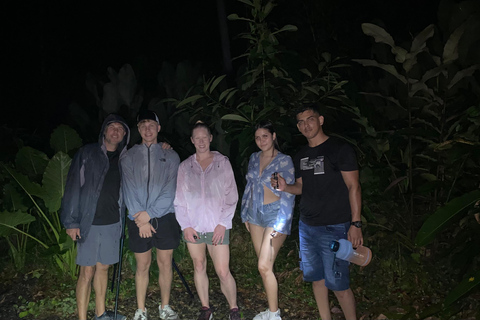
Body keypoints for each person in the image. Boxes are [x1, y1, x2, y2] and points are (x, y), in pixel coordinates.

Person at [274, 104, 363, 320]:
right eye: (301, 122)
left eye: (310, 119)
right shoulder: (301, 155)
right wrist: (286, 187)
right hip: (307, 227)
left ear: (321, 120)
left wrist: (356, 223)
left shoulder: (340, 149)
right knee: (317, 279)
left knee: (339, 283)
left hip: (335, 226)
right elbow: (302, 187)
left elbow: (354, 187)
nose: (306, 125)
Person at [61, 114, 129, 320]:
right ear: (104, 131)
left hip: (112, 223)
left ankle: (101, 314)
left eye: (120, 128)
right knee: (86, 272)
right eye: (112, 127)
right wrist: (71, 221)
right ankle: (82, 318)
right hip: (88, 223)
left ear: (124, 134)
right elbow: (72, 187)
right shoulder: (87, 153)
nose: (115, 131)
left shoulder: (125, 159)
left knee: (103, 268)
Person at [174, 121, 240, 320]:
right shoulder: (185, 166)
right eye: (197, 138)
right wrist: (185, 225)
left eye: (205, 137)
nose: (201, 142)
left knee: (222, 270)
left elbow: (231, 195)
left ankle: (234, 309)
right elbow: (180, 200)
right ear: (192, 141)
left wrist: (223, 223)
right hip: (193, 226)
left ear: (210, 138)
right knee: (199, 265)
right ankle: (205, 308)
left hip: (216, 226)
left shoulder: (222, 163)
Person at [121, 110, 181, 320]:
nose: (147, 129)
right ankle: (141, 309)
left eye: (151, 125)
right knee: (143, 265)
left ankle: (165, 306)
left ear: (158, 128)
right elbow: (128, 187)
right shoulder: (128, 156)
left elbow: (170, 189)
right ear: (138, 129)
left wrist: (150, 214)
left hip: (164, 217)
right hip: (137, 219)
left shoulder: (171, 155)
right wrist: (141, 219)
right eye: (143, 125)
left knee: (165, 263)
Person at [240, 120, 295, 320]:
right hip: (255, 214)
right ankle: (271, 310)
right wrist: (245, 213)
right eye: (257, 137)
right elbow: (249, 187)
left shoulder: (284, 160)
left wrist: (282, 223)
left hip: (275, 214)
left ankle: (275, 315)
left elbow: (289, 193)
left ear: (273, 136)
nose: (261, 140)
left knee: (263, 265)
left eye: (265, 136)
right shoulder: (254, 158)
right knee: (265, 268)